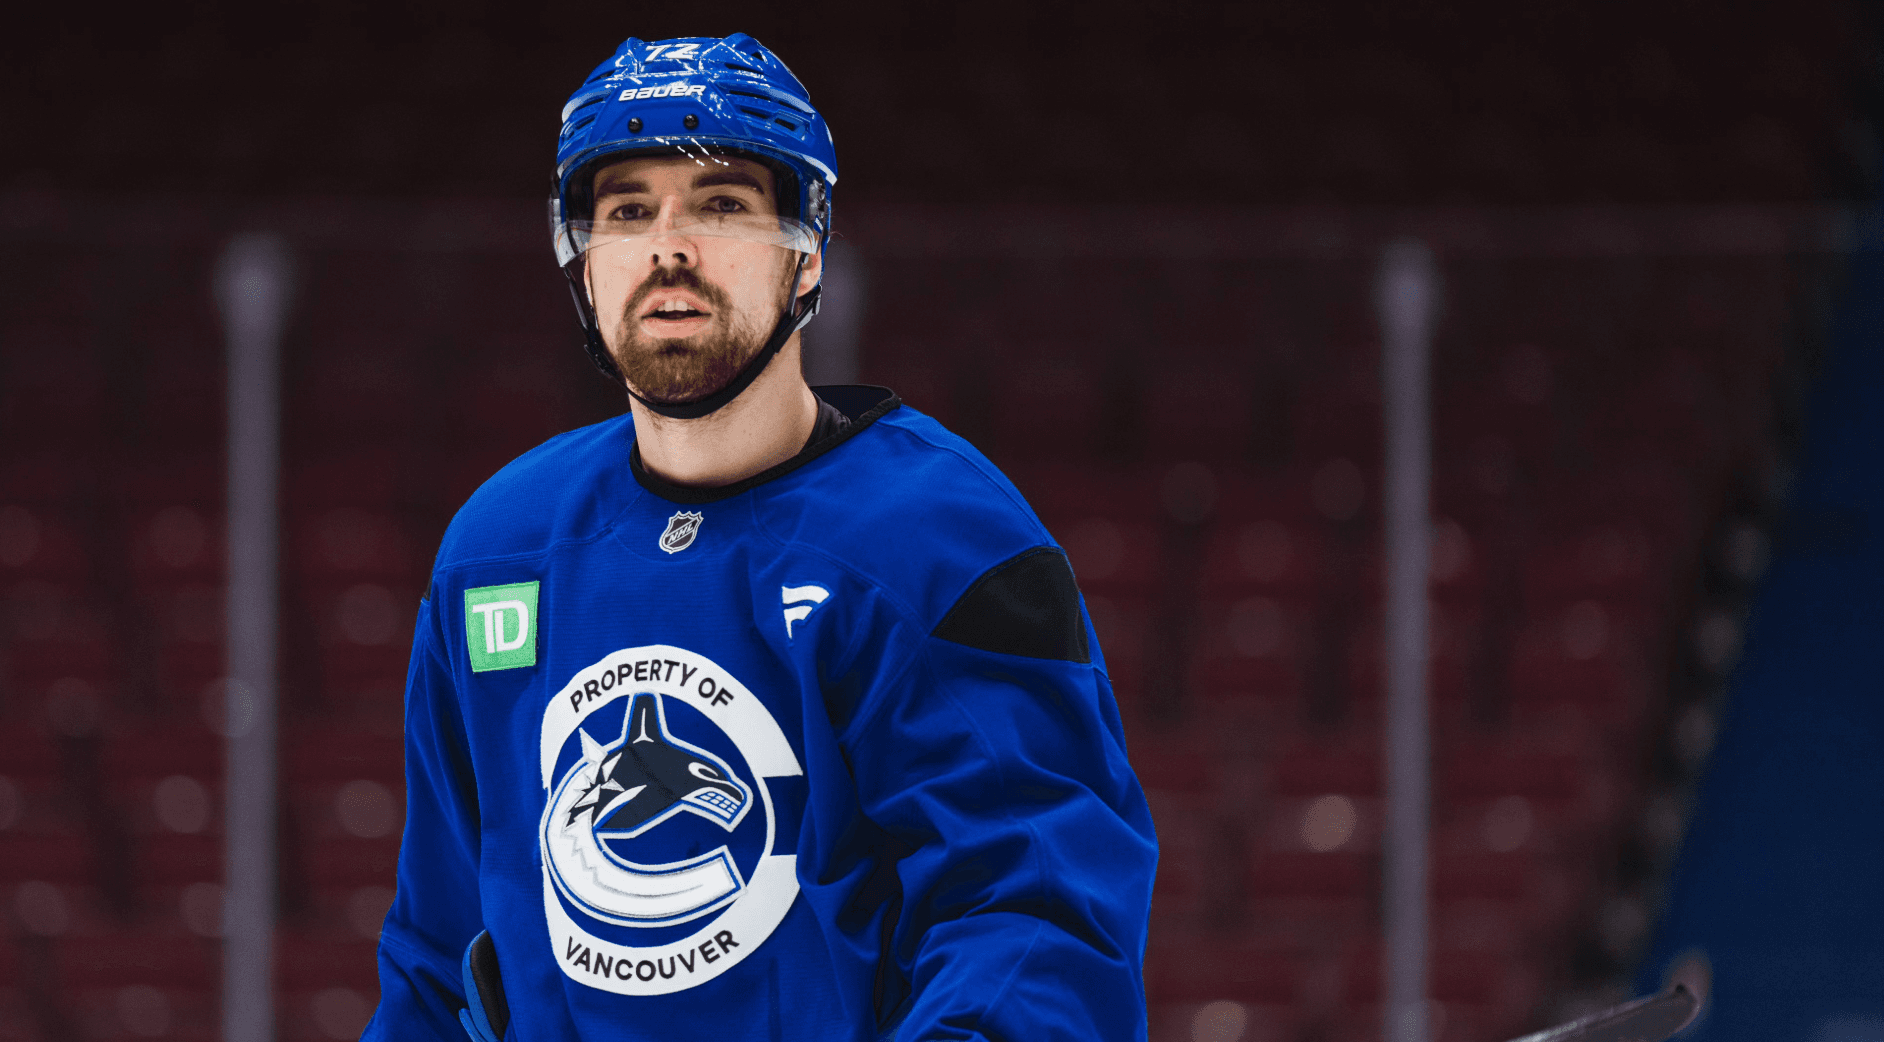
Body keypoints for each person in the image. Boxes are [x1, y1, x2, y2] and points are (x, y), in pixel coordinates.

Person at [363, 33, 1157, 1042]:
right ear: (585, 264)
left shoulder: (944, 544)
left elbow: (1038, 919)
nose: (669, 247)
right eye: (627, 211)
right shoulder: (497, 550)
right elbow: (437, 955)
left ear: (808, 249)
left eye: (723, 204)